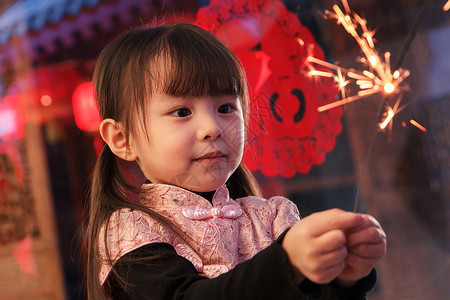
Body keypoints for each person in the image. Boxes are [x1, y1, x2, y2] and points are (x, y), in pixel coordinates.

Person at [86, 22, 386, 300]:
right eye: (181, 112)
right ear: (122, 139)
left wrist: (345, 277)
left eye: (226, 107)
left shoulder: (272, 217)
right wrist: (286, 262)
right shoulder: (132, 229)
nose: (212, 128)